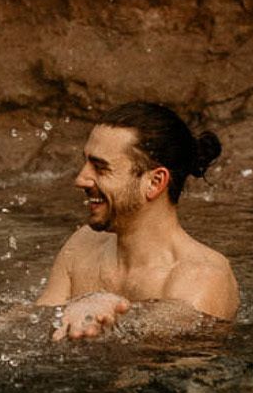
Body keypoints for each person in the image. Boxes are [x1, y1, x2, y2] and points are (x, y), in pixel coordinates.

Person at [29, 101, 238, 341]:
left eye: (100, 168)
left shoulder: (205, 276)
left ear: (155, 182)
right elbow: (36, 323)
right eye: (85, 163)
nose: (81, 179)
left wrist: (106, 307)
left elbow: (170, 348)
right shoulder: (84, 243)